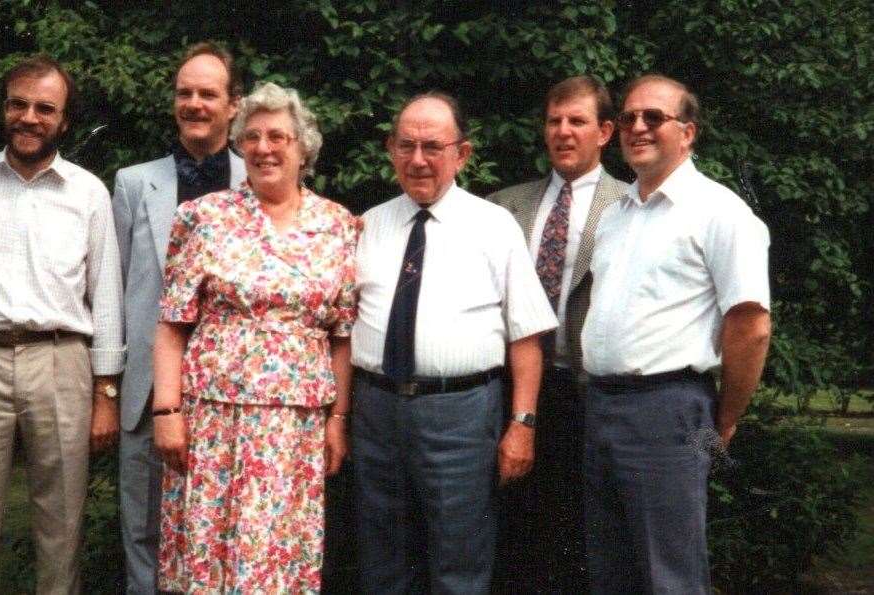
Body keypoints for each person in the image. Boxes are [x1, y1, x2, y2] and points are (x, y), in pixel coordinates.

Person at [0, 54, 123, 594]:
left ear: (64, 120)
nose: (29, 117)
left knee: (61, 531)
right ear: (4, 109)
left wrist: (106, 395)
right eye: (18, 104)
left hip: (61, 364)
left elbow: (105, 299)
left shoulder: (88, 193)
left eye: (44, 108)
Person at [150, 81, 357, 593]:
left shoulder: (339, 225)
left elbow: (342, 336)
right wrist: (167, 412)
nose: (265, 148)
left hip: (294, 425)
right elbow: (173, 325)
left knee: (277, 554)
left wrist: (339, 420)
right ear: (239, 145)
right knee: (208, 551)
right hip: (211, 417)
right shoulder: (202, 217)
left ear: (303, 148)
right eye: (254, 136)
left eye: (279, 137)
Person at [350, 92, 558, 594]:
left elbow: (527, 336)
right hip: (375, 412)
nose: (418, 160)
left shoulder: (494, 225)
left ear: (462, 154)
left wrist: (523, 424)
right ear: (390, 150)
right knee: (381, 559)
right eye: (406, 146)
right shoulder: (365, 225)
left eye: (432, 147)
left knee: (459, 558)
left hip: (461, 416)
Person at [582, 74, 771, 594]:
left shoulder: (721, 213)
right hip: (600, 405)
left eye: (654, 118)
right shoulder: (617, 215)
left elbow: (751, 325)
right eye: (628, 117)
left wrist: (724, 420)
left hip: (674, 410)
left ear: (687, 133)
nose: (637, 127)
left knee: (669, 570)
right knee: (610, 567)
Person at [110, 41, 246, 594]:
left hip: (231, 388)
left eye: (207, 93)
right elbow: (115, 289)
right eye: (184, 92)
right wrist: (108, 389)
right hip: (147, 390)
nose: (194, 103)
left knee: (227, 527)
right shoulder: (133, 183)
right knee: (142, 527)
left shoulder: (261, 177)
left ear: (233, 105)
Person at [489, 75, 626, 593]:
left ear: (605, 131)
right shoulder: (503, 205)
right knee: (511, 527)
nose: (563, 132)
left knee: (576, 529)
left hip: (584, 389)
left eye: (578, 121)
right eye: (554, 121)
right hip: (510, 386)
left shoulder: (629, 206)